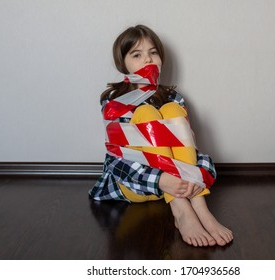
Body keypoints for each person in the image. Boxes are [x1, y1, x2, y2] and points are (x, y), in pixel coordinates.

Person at [89, 24, 233, 247]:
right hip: (139, 183)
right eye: (137, 55)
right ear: (123, 63)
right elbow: (117, 160)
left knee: (172, 111)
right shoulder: (114, 102)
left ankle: (201, 210)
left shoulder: (173, 98)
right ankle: (181, 210)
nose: (147, 60)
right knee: (145, 112)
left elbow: (191, 151)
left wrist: (199, 174)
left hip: (183, 184)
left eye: (153, 52)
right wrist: (162, 180)